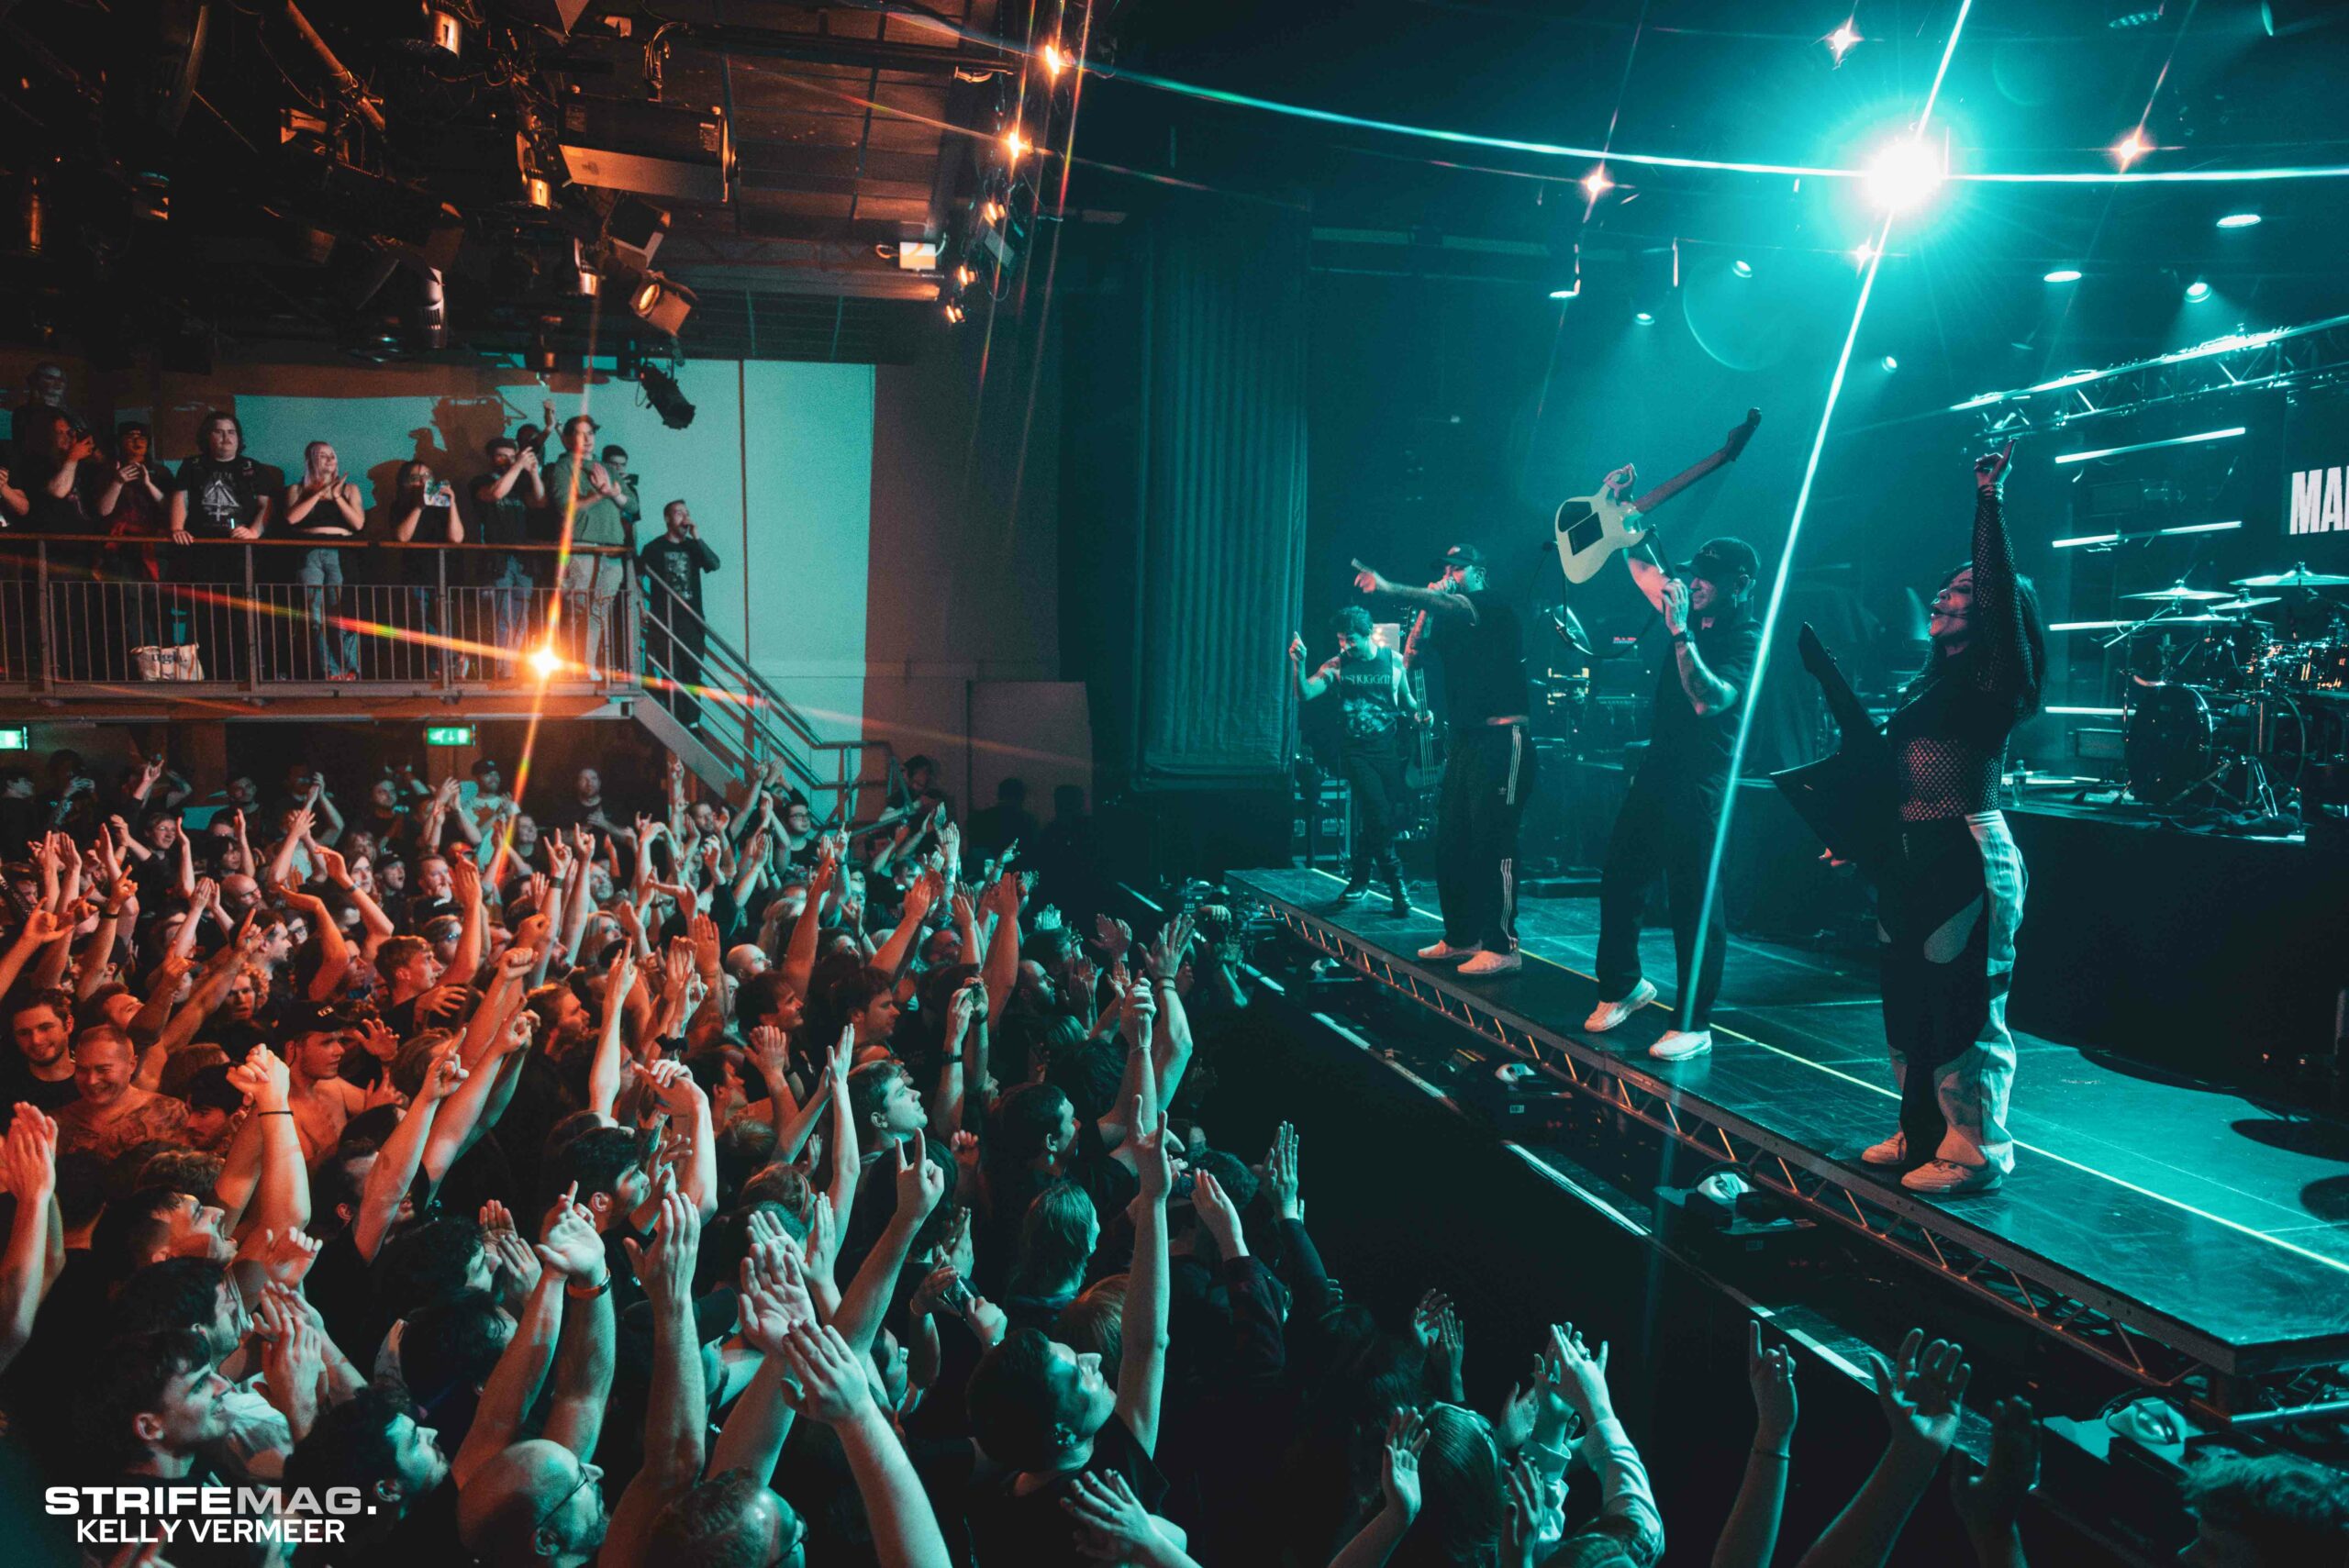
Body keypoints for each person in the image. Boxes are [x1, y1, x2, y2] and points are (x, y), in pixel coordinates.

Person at [1861, 446, 2043, 1196]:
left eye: (1964, 588)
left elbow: (1997, 592)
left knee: (1964, 1000)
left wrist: (1988, 505)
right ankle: (1923, 1130)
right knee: (1907, 998)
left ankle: (1975, 1149)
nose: (1946, 593)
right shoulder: (1928, 681)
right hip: (1910, 851)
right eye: (1947, 585)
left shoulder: (1996, 678)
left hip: (1967, 847)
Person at [1582, 530, 1763, 1062]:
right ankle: (1623, 987)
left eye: (1707, 576)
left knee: (1693, 903)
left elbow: (1710, 702)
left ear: (1741, 584)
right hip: (1658, 767)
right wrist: (1625, 511)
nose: (1694, 582)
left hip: (1702, 780)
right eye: (1694, 572)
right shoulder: (1688, 604)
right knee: (1620, 877)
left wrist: (1680, 633)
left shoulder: (1747, 637)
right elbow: (1641, 566)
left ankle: (1694, 1024)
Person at [1352, 544, 1534, 975]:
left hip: (1502, 736)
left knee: (1495, 841)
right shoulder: (1448, 616)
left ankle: (1504, 945)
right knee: (1451, 837)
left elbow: (1445, 601)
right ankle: (1461, 937)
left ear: (1479, 571)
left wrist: (1393, 588)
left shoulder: (1490, 605)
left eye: (1458, 566)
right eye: (1446, 567)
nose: (1450, 572)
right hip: (1466, 739)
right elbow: (1411, 657)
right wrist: (1426, 612)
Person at [1290, 606, 1420, 917]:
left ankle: (1359, 879)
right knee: (1378, 813)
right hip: (1355, 753)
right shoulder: (1337, 666)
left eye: (1350, 640)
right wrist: (1299, 663)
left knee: (1379, 820)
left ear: (1367, 635)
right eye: (1340, 640)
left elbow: (1409, 703)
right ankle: (1396, 883)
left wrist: (1422, 716)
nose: (1344, 646)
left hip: (1388, 753)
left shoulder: (1393, 663)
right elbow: (1305, 694)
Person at [169, 410, 272, 674]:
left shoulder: (252, 467)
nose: (226, 437)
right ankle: (209, 677)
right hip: (202, 552)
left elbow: (265, 505)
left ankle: (243, 677)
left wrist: (255, 531)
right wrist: (177, 528)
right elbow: (181, 497)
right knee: (204, 617)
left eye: (231, 432)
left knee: (241, 618)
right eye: (219, 431)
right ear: (208, 436)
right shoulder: (192, 465)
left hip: (240, 555)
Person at [541, 416, 629, 670]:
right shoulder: (563, 467)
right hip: (581, 549)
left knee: (599, 612)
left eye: (591, 433)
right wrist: (597, 495)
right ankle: (570, 667)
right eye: (580, 434)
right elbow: (565, 508)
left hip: (611, 551)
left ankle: (587, 665)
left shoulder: (608, 468)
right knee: (577, 611)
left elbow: (633, 504)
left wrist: (615, 494)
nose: (588, 439)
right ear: (568, 439)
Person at [282, 440, 366, 680]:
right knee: (315, 613)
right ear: (310, 461)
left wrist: (337, 496)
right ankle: (330, 670)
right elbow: (292, 518)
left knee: (341, 612)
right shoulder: (296, 490)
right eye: (323, 456)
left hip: (340, 552)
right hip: (310, 552)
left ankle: (350, 669)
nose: (330, 460)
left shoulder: (350, 490)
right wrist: (319, 491)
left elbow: (358, 523)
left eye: (333, 455)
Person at [638, 498, 719, 723]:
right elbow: (636, 576)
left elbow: (714, 564)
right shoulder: (654, 548)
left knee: (692, 671)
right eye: (678, 513)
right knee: (670, 672)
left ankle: (692, 722)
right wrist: (640, 608)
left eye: (686, 512)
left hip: (692, 621)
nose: (684, 517)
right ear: (667, 518)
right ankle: (674, 719)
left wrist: (697, 536)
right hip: (664, 621)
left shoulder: (693, 547)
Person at [471, 435, 545, 678]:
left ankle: (513, 668)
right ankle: (501, 670)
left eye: (512, 456)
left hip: (524, 560)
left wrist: (533, 472)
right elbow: (495, 494)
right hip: (497, 560)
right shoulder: (480, 481)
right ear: (491, 458)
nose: (507, 460)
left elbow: (540, 502)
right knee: (502, 616)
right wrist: (517, 466)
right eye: (502, 455)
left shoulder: (521, 483)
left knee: (521, 618)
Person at [392, 461, 466, 678]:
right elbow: (402, 536)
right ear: (406, 483)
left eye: (427, 476)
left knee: (444, 622)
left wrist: (452, 503)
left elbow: (457, 537)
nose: (424, 481)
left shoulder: (441, 506)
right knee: (421, 624)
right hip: (415, 572)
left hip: (443, 572)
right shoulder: (400, 506)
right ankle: (451, 658)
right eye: (416, 478)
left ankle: (442, 669)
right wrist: (419, 506)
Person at [602, 444, 643, 547]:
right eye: (614, 464)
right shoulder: (597, 487)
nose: (619, 468)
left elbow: (633, 524)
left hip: (623, 544)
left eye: (623, 464)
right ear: (604, 464)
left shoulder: (631, 490)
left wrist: (632, 554)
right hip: (601, 541)